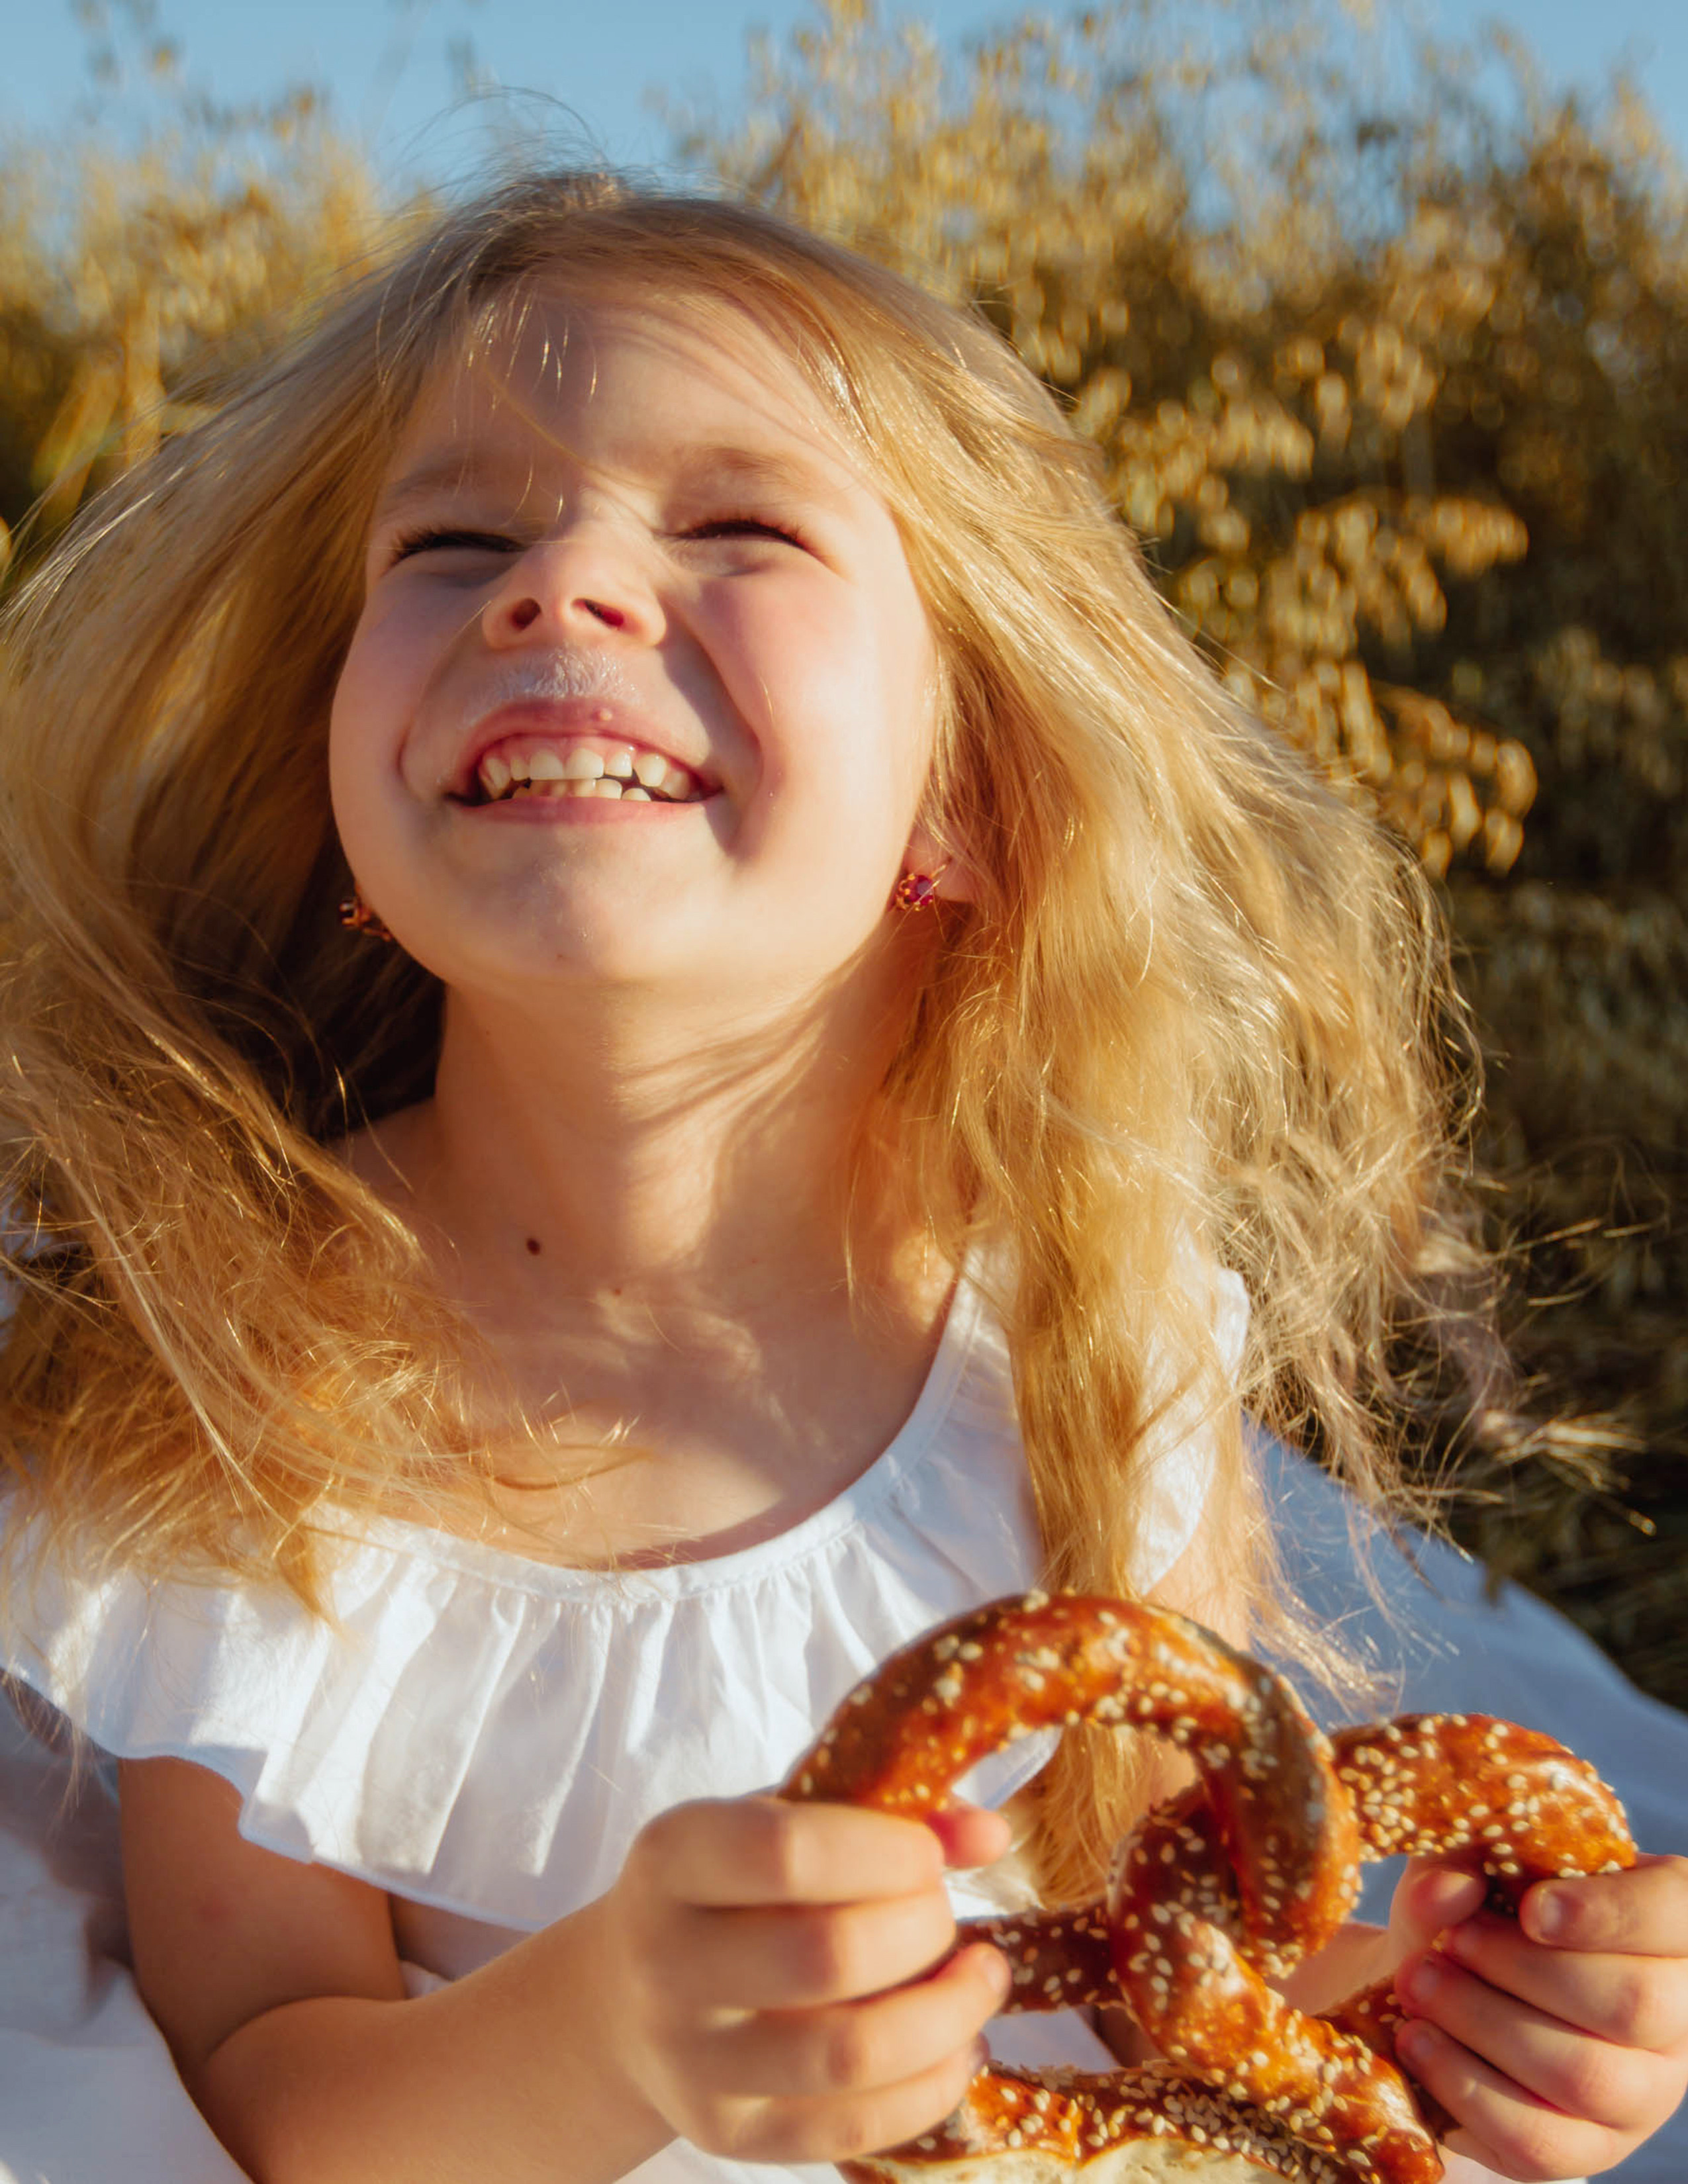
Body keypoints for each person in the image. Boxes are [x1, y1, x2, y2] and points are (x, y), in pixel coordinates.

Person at [0, 168, 1682, 2184]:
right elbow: (274, 2092)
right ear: (340, 777)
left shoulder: (1093, 1347)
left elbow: (1169, 1973)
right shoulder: (232, 1355)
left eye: (741, 530)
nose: (559, 586)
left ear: (963, 797)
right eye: (453, 545)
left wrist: (1467, 2027)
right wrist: (617, 2026)